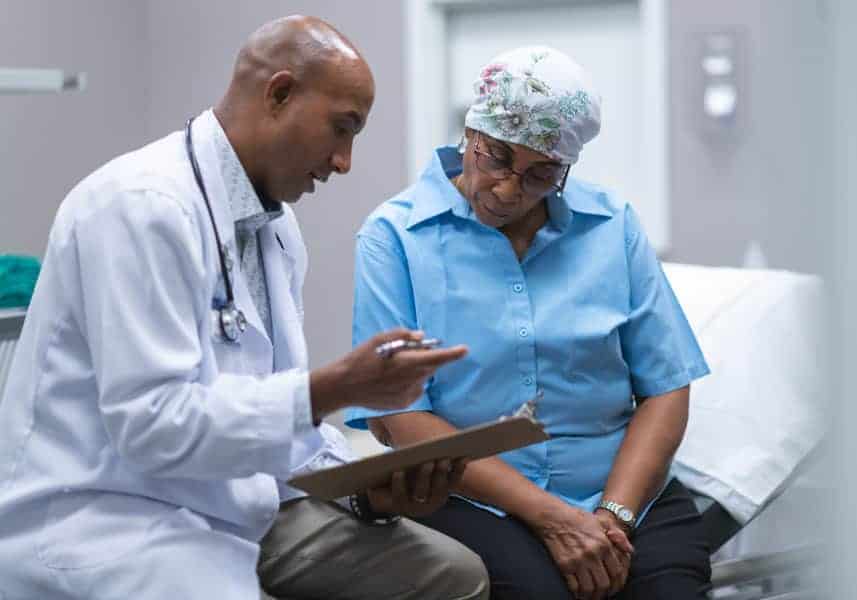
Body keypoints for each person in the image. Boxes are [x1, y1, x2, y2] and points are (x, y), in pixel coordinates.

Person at [0, 15, 489, 600]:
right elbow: (153, 425)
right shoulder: (141, 207)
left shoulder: (275, 231)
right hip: (108, 516)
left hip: (246, 505)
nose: (344, 162)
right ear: (279, 94)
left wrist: (367, 484)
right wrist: (333, 388)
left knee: (452, 578)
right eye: (342, 129)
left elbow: (265, 407)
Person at [346, 46, 712, 600]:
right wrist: (553, 519)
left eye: (541, 174)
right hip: (474, 494)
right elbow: (404, 417)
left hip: (622, 491)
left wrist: (613, 517)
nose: (509, 189)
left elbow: (666, 386)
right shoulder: (395, 238)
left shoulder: (612, 226)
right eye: (495, 157)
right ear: (470, 131)